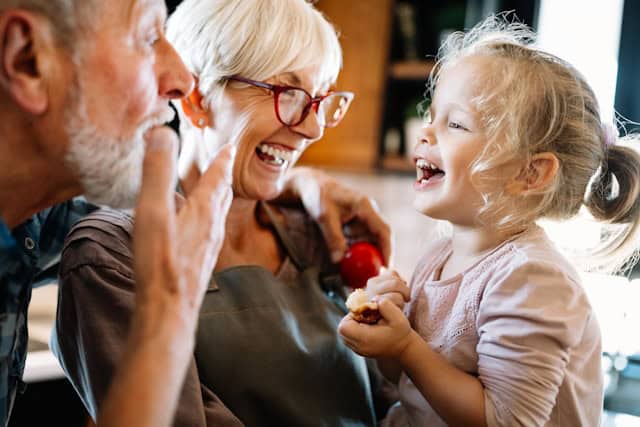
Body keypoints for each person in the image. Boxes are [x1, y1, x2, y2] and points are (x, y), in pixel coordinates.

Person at [0, 0, 390, 426]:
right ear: (199, 101)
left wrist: (297, 181)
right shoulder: (110, 249)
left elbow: (391, 395)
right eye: (287, 93)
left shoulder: (318, 231)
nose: (313, 128)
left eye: (320, 100)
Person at [339, 16, 640, 427]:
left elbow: (507, 420)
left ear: (529, 175)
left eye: (456, 124)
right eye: (432, 114)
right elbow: (409, 382)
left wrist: (407, 345)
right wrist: (389, 336)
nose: (426, 131)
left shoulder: (533, 278)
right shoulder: (442, 252)